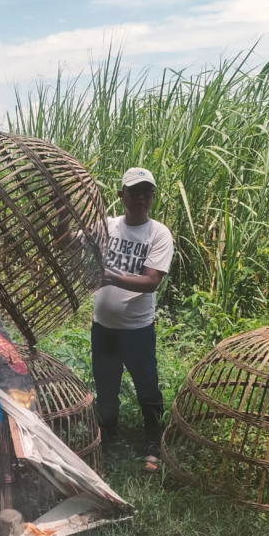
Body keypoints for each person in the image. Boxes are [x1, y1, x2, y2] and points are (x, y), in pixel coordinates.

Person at [91, 168, 174, 472]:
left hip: (137, 330)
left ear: (152, 197)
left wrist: (109, 275)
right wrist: (62, 209)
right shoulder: (107, 226)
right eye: (134, 191)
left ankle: (154, 442)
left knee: (147, 388)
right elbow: (67, 240)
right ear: (120, 195)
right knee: (106, 388)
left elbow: (151, 281)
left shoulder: (158, 233)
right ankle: (108, 440)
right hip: (103, 328)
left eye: (146, 192)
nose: (140, 198)